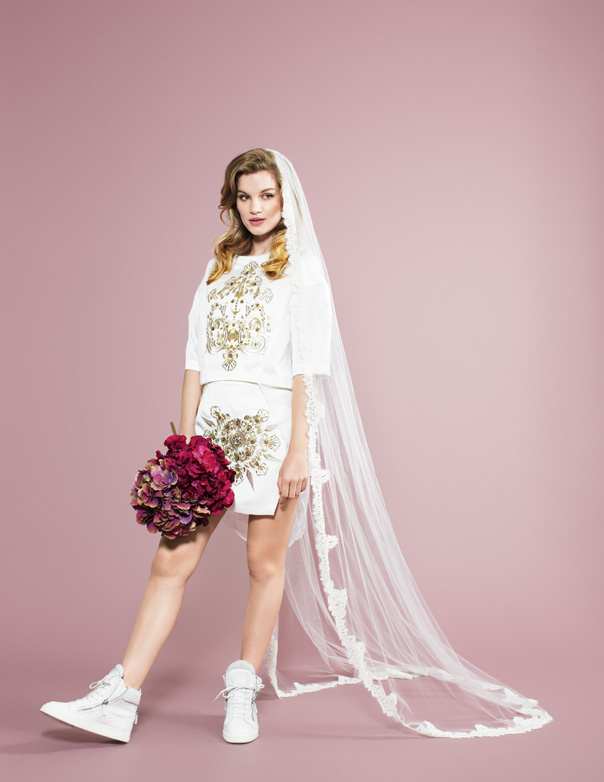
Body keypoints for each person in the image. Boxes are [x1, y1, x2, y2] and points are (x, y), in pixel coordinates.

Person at [40, 148, 553, 745]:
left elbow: (309, 368)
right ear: (231, 202)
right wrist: (183, 444)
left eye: (267, 195)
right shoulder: (217, 265)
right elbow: (193, 361)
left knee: (264, 564)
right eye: (244, 196)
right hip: (210, 431)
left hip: (270, 430)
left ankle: (243, 688)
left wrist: (299, 450)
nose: (255, 207)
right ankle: (121, 697)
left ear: (285, 200)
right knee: (170, 562)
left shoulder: (301, 269)